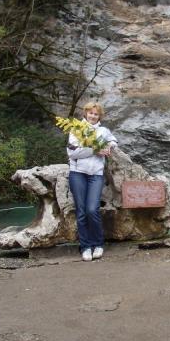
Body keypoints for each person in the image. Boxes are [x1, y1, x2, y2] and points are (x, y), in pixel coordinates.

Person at [67, 102, 118, 261]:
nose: (93, 116)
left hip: (96, 174)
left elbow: (114, 141)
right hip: (78, 173)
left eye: (96, 114)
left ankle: (98, 244)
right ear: (86, 113)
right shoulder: (76, 129)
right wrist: (95, 150)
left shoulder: (103, 130)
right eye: (91, 113)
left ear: (99, 116)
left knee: (92, 210)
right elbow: (72, 153)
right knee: (81, 211)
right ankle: (85, 247)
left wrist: (109, 147)